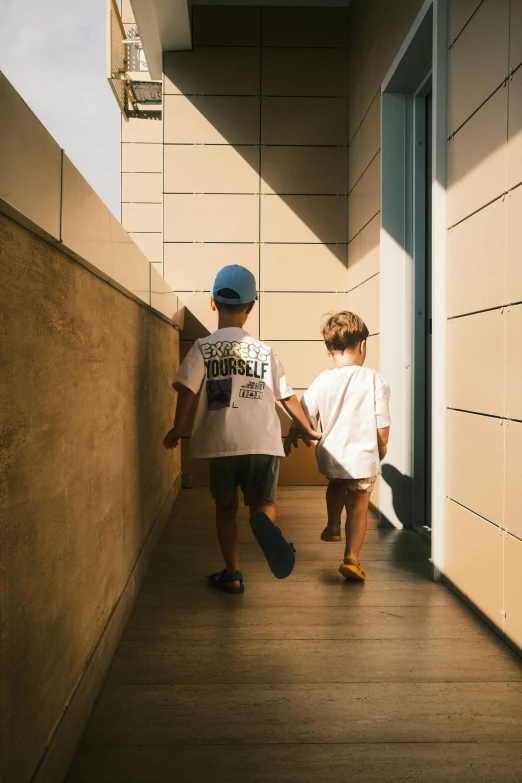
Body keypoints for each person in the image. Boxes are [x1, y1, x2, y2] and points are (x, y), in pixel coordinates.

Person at [163, 264, 320, 594]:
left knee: (225, 508)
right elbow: (287, 396)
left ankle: (233, 574)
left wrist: (178, 428)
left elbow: (187, 391)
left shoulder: (203, 347)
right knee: (263, 502)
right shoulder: (265, 351)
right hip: (262, 442)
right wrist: (307, 428)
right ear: (251, 308)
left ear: (211, 303)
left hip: (222, 444)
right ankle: (264, 520)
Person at [284, 311, 390, 581]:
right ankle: (351, 558)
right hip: (363, 458)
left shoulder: (322, 380)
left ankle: (332, 524)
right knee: (358, 506)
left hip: (332, 457)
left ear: (329, 349)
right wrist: (382, 447)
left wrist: (292, 436)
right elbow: (382, 426)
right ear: (363, 346)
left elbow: (303, 414)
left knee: (336, 485)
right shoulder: (374, 380)